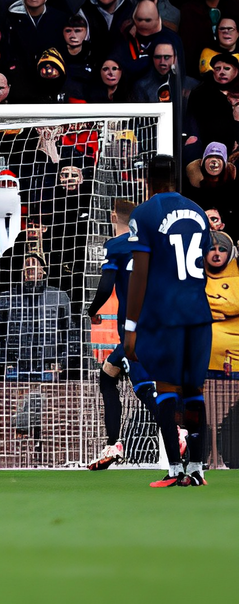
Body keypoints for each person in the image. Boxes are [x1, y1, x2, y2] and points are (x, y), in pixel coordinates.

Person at [124, 154, 212, 488]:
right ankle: (197, 467)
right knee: (194, 390)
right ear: (177, 179)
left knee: (166, 389)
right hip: (198, 312)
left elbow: (140, 273)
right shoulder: (199, 213)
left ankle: (175, 468)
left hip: (165, 313)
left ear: (147, 180)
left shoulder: (144, 213)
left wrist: (131, 327)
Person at [84, 199, 164, 470]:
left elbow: (106, 285)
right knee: (108, 375)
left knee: (144, 388)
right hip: (159, 323)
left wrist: (92, 310)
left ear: (113, 215)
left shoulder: (116, 245)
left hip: (135, 328)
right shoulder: (155, 244)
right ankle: (114, 443)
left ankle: (176, 433)